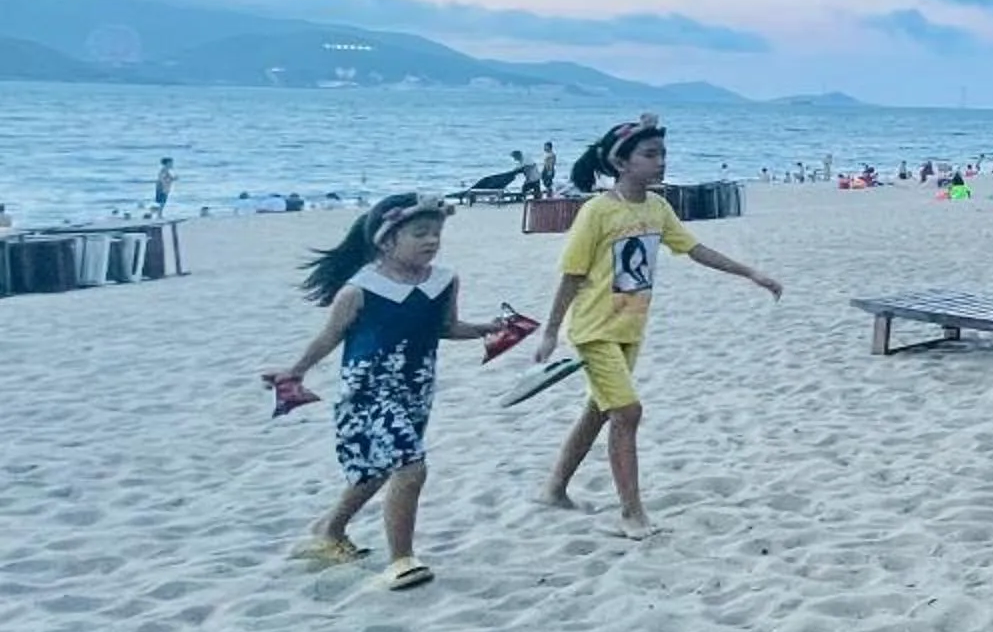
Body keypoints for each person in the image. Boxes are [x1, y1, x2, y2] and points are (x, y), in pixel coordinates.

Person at [533, 119, 782, 538]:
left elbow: (695, 249)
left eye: (662, 154)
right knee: (628, 413)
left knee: (599, 411)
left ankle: (554, 489)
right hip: (594, 329)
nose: (660, 162)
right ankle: (631, 514)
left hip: (630, 327)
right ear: (620, 161)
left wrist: (750, 272)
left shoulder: (657, 208)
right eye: (649, 155)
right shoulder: (597, 211)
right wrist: (550, 330)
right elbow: (572, 274)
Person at [262, 195, 510, 590]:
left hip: (416, 388)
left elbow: (445, 327)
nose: (431, 241)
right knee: (411, 467)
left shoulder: (444, 280)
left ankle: (330, 530)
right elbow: (330, 336)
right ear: (386, 240)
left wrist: (485, 329)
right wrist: (294, 372)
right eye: (419, 233)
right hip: (367, 392)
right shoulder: (359, 290)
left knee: (376, 471)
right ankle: (401, 560)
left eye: (436, 233)